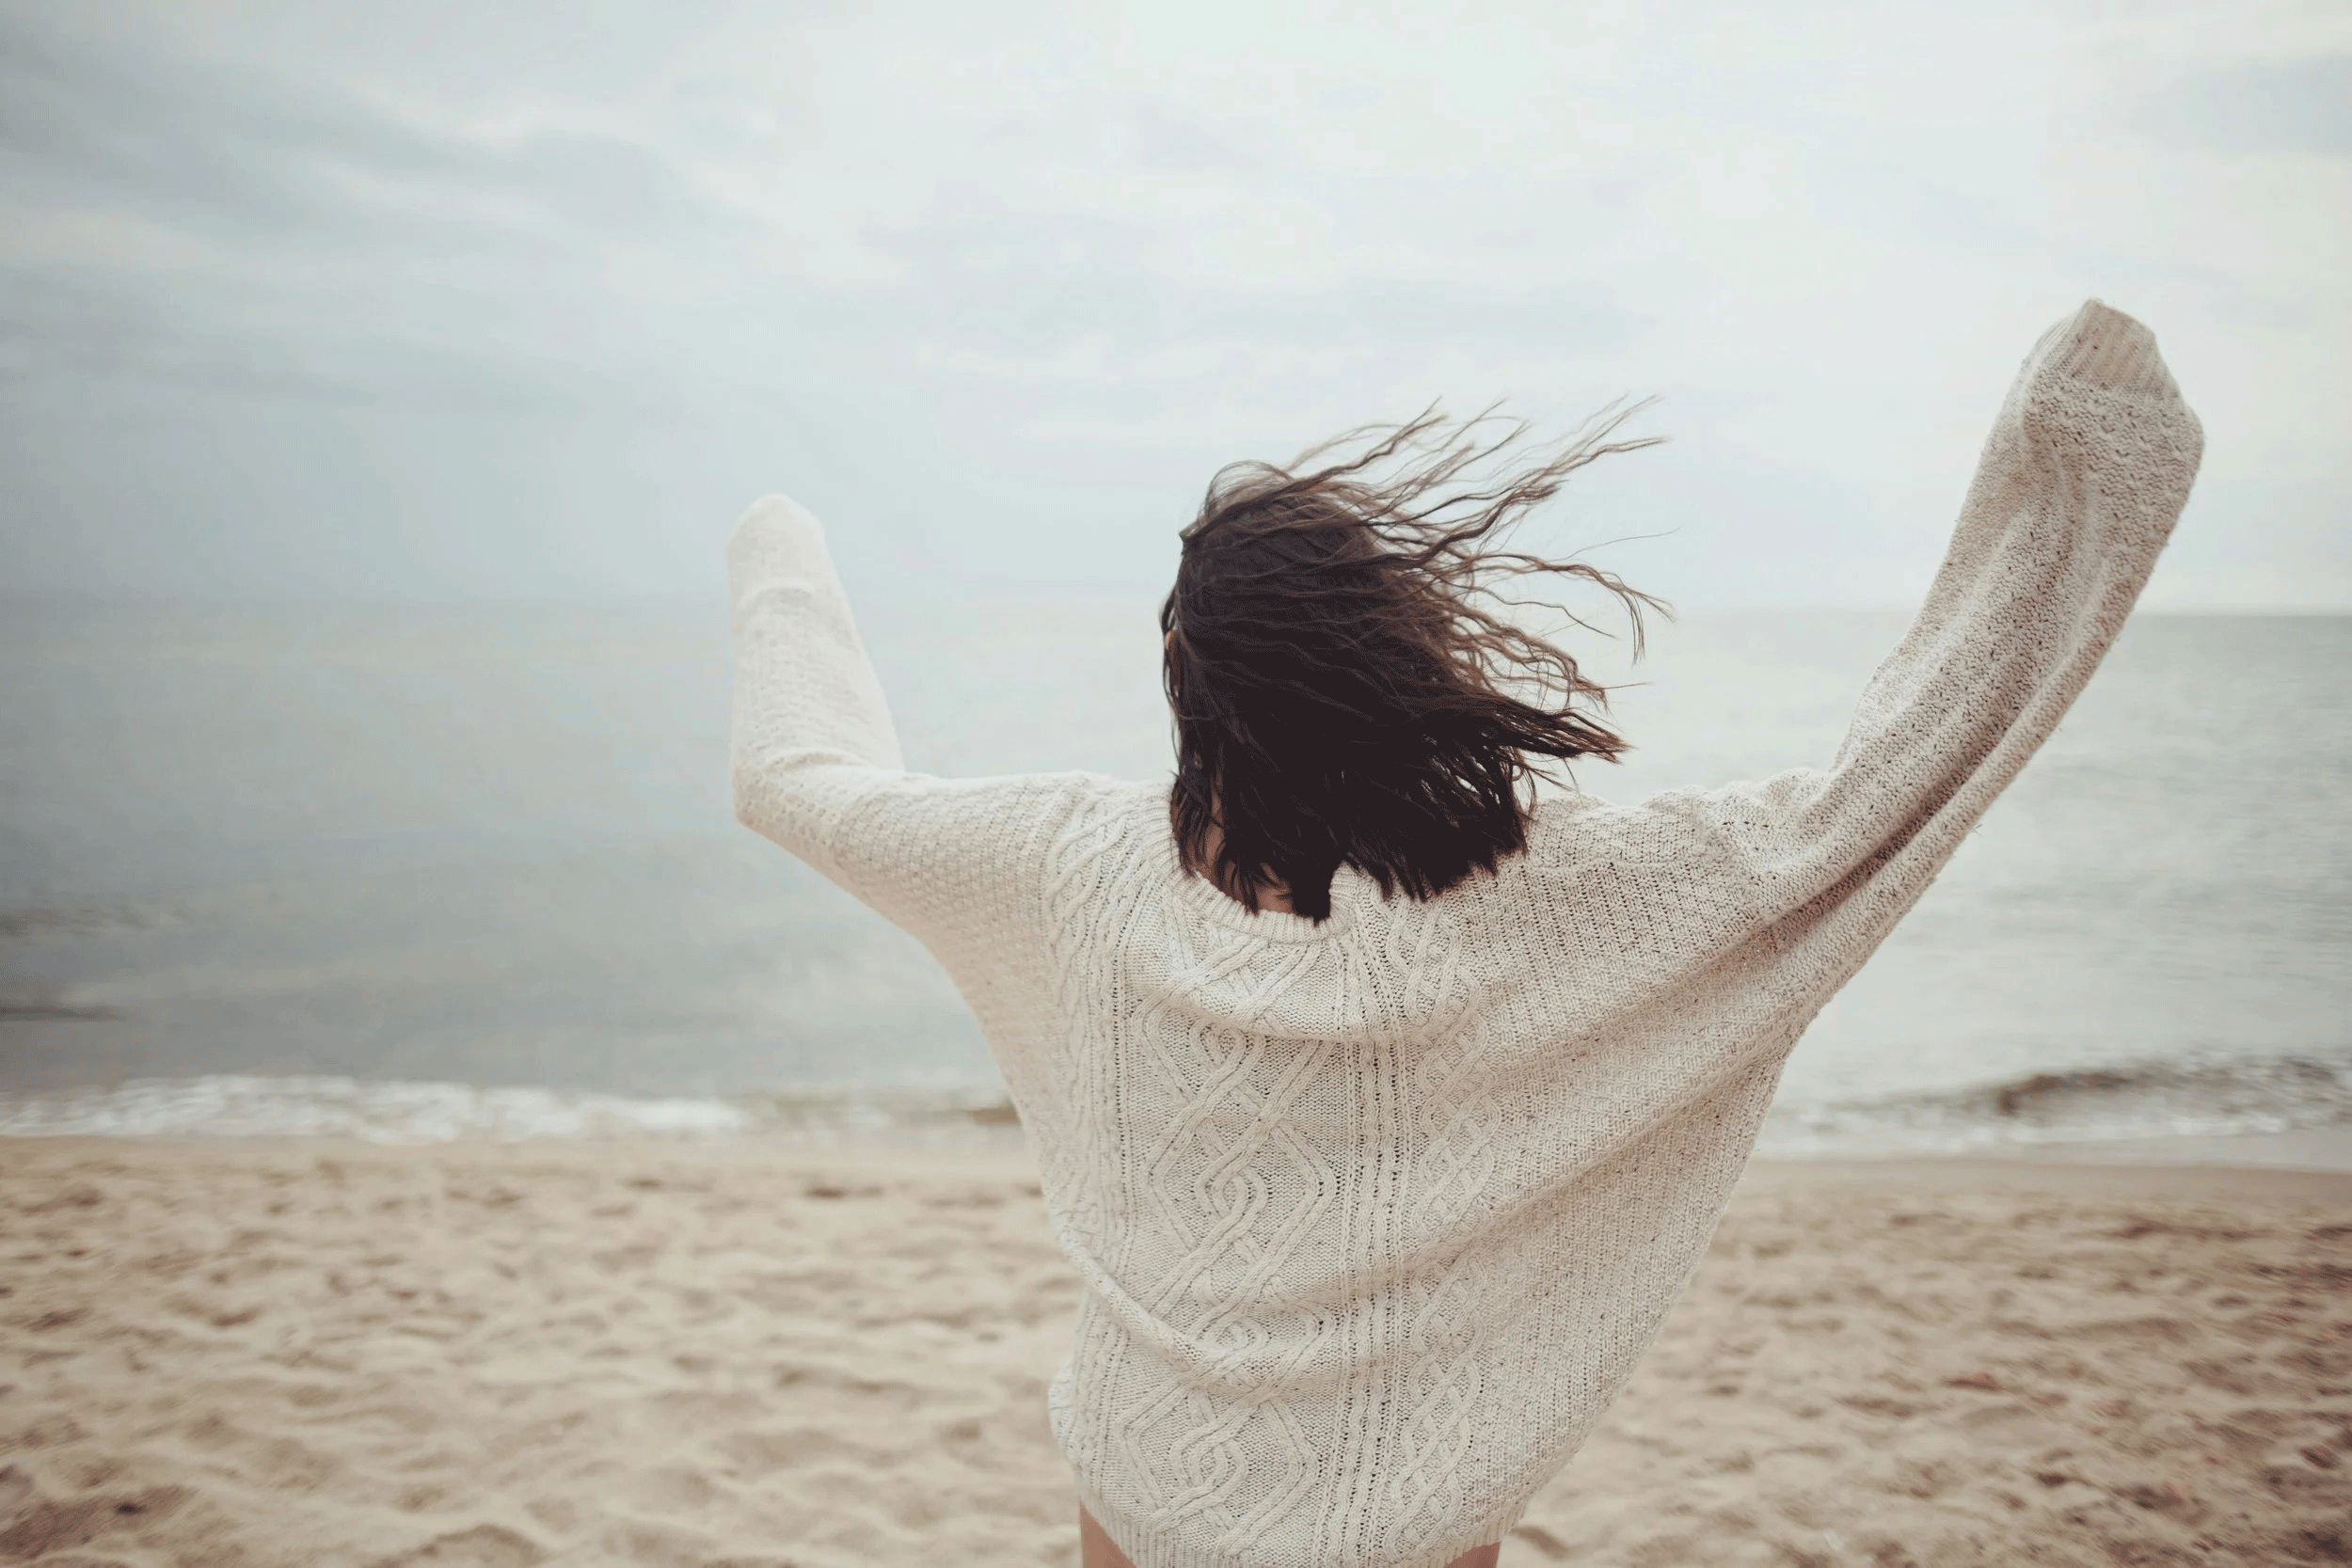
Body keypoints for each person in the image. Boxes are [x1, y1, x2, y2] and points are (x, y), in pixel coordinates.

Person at [727, 301, 2202, 1568]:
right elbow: (1855, 819)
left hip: (1144, 1475)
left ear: (1189, 679)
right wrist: (2065, 480)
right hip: (1397, 1511)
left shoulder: (1066, 866)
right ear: (1386, 661)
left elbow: (801, 783)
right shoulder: (1534, 898)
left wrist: (775, 535)